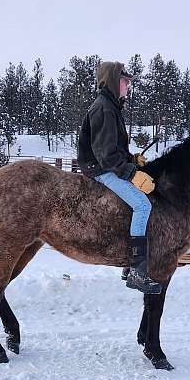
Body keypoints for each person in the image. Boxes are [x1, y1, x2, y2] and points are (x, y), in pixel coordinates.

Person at [77, 61, 161, 295]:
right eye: (125, 80)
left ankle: (128, 264)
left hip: (106, 165)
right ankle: (136, 270)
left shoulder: (111, 106)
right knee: (142, 205)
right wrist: (132, 173)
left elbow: (113, 149)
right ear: (114, 81)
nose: (128, 85)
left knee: (135, 204)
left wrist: (132, 159)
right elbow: (106, 156)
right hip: (100, 170)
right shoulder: (104, 108)